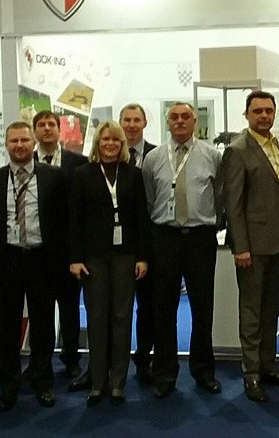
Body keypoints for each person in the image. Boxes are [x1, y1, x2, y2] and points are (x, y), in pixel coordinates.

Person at [0, 121, 67, 412]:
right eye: (13, 141)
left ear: (33, 143)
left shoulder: (54, 177)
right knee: (8, 327)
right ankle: (8, 386)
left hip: (42, 259)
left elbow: (63, 221)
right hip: (8, 260)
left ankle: (43, 381)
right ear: (6, 144)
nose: (19, 145)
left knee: (43, 325)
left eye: (24, 140)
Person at [221, 91, 279, 403]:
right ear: (247, 115)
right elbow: (233, 204)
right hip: (252, 247)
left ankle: (268, 366)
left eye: (269, 111)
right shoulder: (238, 150)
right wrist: (240, 247)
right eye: (258, 111)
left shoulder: (274, 146)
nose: (264, 116)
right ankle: (251, 374)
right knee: (252, 312)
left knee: (270, 311)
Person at [143, 102, 223, 398]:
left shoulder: (212, 156)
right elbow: (150, 197)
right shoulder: (153, 158)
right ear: (168, 122)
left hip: (200, 238)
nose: (179, 121)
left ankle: (203, 370)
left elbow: (220, 197)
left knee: (202, 308)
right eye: (174, 117)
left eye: (185, 116)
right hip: (164, 237)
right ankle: (165, 373)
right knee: (163, 308)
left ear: (195, 121)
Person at [69, 122, 151, 406]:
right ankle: (97, 382)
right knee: (96, 319)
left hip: (125, 255)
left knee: (121, 318)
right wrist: (75, 258)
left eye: (116, 140)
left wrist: (142, 256)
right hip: (94, 257)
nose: (111, 144)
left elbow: (142, 218)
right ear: (97, 143)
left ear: (122, 144)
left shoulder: (133, 174)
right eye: (106, 139)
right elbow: (74, 220)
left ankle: (118, 383)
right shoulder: (82, 175)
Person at [32, 111, 89, 386]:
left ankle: (71, 359)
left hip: (68, 251)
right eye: (41, 125)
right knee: (40, 312)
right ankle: (39, 362)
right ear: (34, 131)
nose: (46, 129)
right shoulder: (25, 161)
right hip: (36, 251)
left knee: (69, 310)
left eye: (51, 124)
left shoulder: (78, 163)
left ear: (59, 129)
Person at [120, 104, 157, 383]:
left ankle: (144, 358)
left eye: (136, 120)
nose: (131, 125)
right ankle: (111, 363)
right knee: (116, 308)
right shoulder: (108, 155)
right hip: (116, 243)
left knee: (148, 306)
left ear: (145, 123)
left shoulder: (158, 155)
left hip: (151, 242)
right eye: (127, 120)